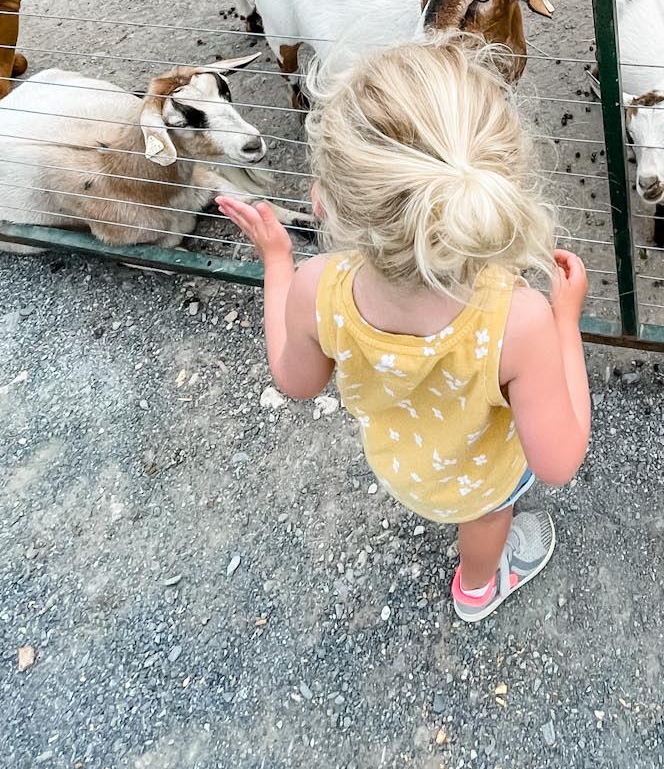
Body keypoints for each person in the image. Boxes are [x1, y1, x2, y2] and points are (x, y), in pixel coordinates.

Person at [218, 37, 591, 624]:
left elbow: (295, 381)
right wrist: (565, 321)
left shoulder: (319, 286)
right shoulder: (519, 320)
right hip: (480, 482)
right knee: (489, 518)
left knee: (465, 505)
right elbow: (560, 461)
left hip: (400, 468)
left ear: (327, 202)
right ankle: (476, 588)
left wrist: (276, 265)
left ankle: (472, 580)